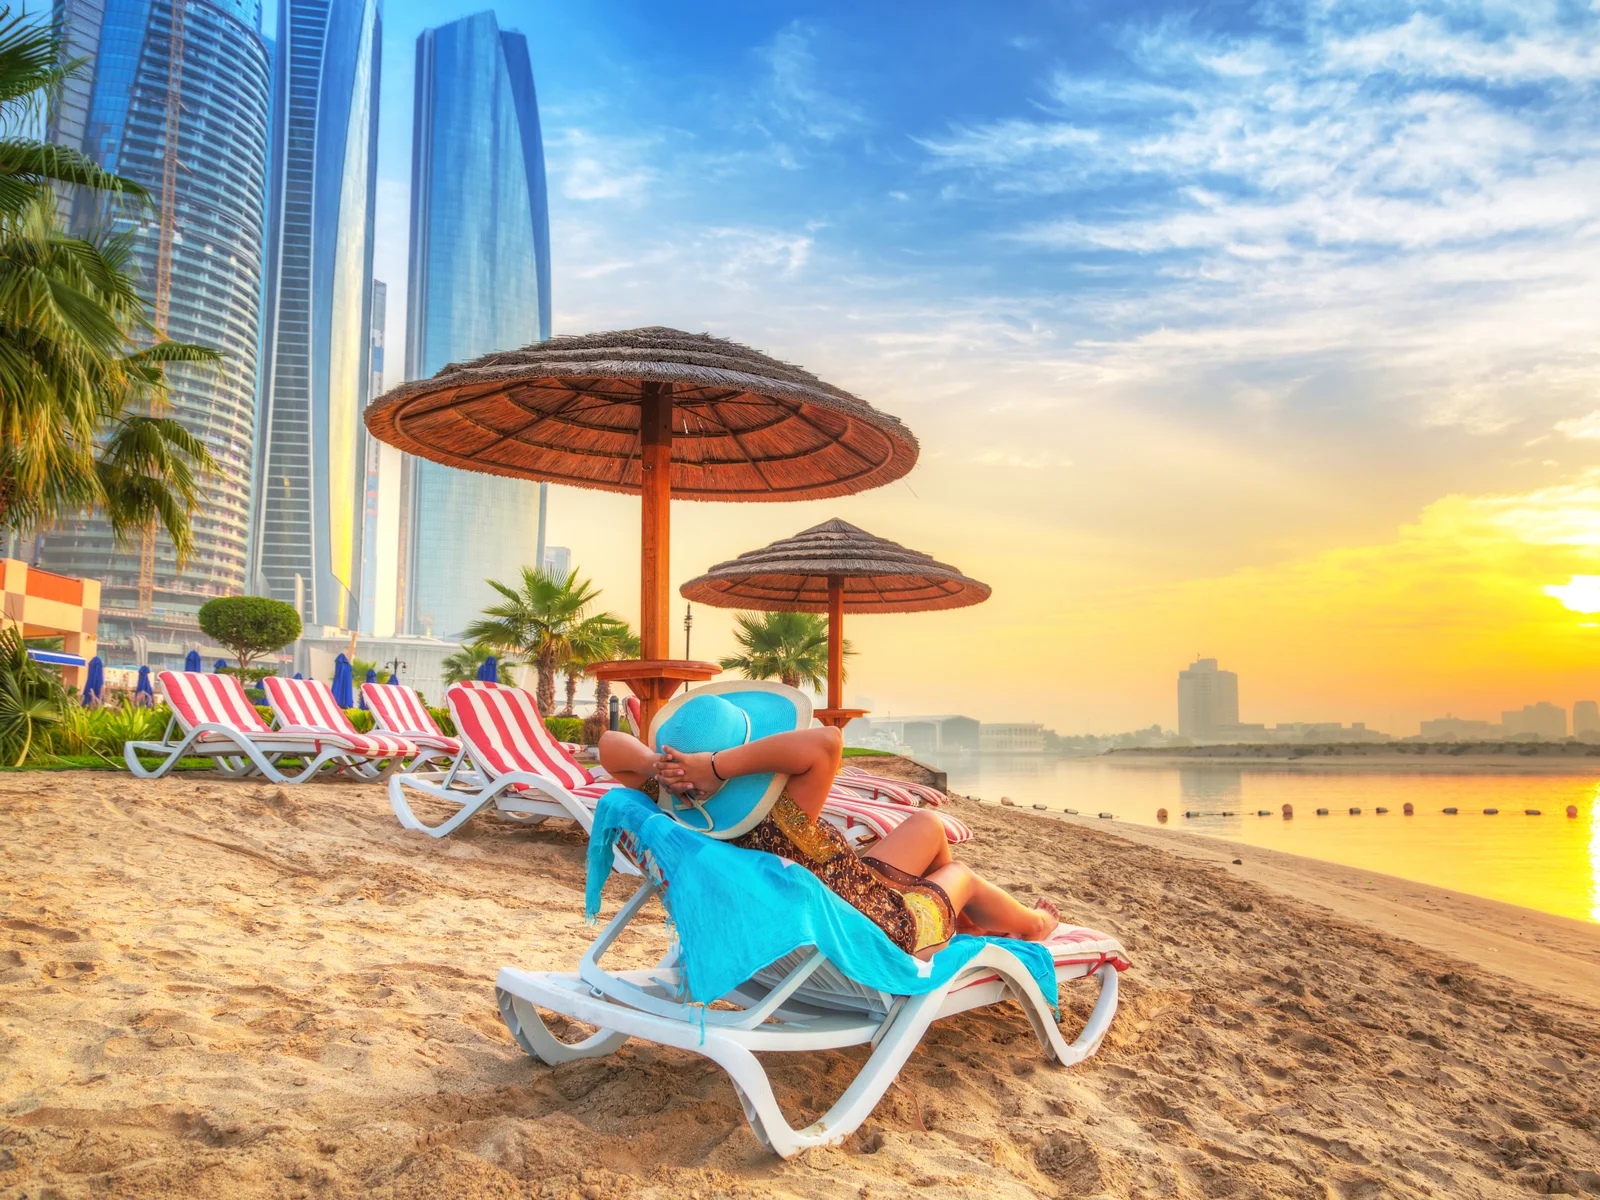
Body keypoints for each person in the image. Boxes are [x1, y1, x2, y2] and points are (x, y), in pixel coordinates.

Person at [600, 720, 1059, 960]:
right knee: (962, 874)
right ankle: (1032, 925)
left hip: (849, 896)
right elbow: (827, 741)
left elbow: (609, 747)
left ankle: (956, 920)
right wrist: (715, 766)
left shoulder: (678, 814)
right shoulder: (779, 817)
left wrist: (658, 767)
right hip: (876, 931)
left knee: (928, 824)